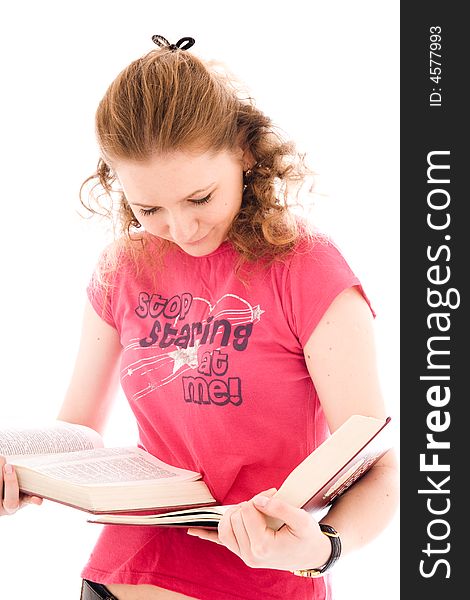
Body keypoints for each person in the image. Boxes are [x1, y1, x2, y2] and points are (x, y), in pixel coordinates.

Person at [0, 35, 398, 600]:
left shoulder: (306, 270)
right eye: (149, 209)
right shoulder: (123, 268)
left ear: (245, 152)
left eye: (200, 197)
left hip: (264, 582)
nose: (181, 229)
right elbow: (78, 432)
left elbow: (380, 466)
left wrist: (325, 544)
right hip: (125, 574)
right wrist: (20, 472)